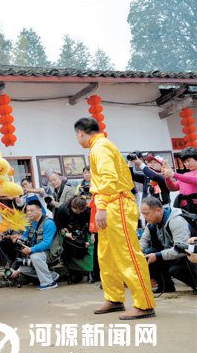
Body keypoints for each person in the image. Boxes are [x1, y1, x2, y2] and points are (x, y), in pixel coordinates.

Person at [74, 117, 155, 320]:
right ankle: (114, 298)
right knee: (106, 255)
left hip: (115, 203)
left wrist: (101, 205)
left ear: (80, 133)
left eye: (77, 135)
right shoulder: (99, 146)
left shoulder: (100, 147)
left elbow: (108, 178)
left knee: (127, 254)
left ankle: (144, 304)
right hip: (109, 203)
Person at [139, 196, 197, 292]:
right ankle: (165, 287)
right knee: (147, 253)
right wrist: (135, 254)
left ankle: (195, 284)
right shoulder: (151, 223)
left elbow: (183, 249)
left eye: (146, 213)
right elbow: (143, 242)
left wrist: (157, 255)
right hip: (172, 253)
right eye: (142, 214)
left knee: (175, 269)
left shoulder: (176, 221)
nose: (144, 217)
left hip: (189, 256)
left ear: (158, 210)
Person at [6, 200, 61, 290]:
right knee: (22, 266)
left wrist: (31, 250)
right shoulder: (29, 222)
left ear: (40, 210)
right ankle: (52, 275)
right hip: (36, 251)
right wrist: (19, 242)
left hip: (51, 254)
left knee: (35, 257)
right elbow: (25, 237)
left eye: (32, 210)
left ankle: (49, 283)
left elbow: (47, 243)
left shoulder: (48, 223)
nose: (29, 213)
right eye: (27, 211)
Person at [56, 196, 94, 283]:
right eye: (75, 209)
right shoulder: (63, 209)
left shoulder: (88, 210)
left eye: (80, 210)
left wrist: (92, 233)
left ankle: (90, 273)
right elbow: (59, 223)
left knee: (89, 249)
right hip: (68, 230)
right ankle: (73, 273)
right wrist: (65, 231)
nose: (78, 212)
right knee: (68, 251)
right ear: (71, 206)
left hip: (83, 230)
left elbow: (91, 223)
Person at [164, 147, 197, 213]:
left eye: (188, 161)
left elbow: (194, 180)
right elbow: (173, 188)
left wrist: (174, 174)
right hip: (184, 206)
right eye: (184, 162)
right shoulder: (184, 175)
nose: (187, 164)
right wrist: (167, 178)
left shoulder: (182, 176)